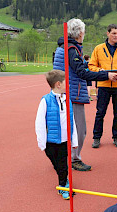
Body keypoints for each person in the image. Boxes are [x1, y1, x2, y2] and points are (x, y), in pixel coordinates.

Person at [53, 18, 117, 171]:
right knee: (80, 130)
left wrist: (99, 70)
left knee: (64, 128)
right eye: (83, 31)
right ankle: (74, 159)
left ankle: (62, 157)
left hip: (64, 93)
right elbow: (81, 73)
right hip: (72, 94)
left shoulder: (65, 47)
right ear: (80, 33)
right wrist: (106, 76)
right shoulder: (71, 49)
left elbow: (75, 67)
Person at [35, 70, 78, 200]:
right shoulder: (45, 101)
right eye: (66, 82)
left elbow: (72, 121)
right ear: (58, 84)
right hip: (51, 141)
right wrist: (42, 142)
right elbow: (40, 122)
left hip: (65, 141)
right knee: (57, 164)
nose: (68, 84)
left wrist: (74, 140)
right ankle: (64, 179)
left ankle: (63, 186)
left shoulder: (67, 100)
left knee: (62, 164)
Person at [89, 24, 117, 148]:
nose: (116, 36)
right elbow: (91, 66)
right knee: (100, 112)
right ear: (107, 33)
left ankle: (116, 137)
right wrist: (104, 73)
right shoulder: (98, 49)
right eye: (113, 33)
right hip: (104, 85)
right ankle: (96, 137)